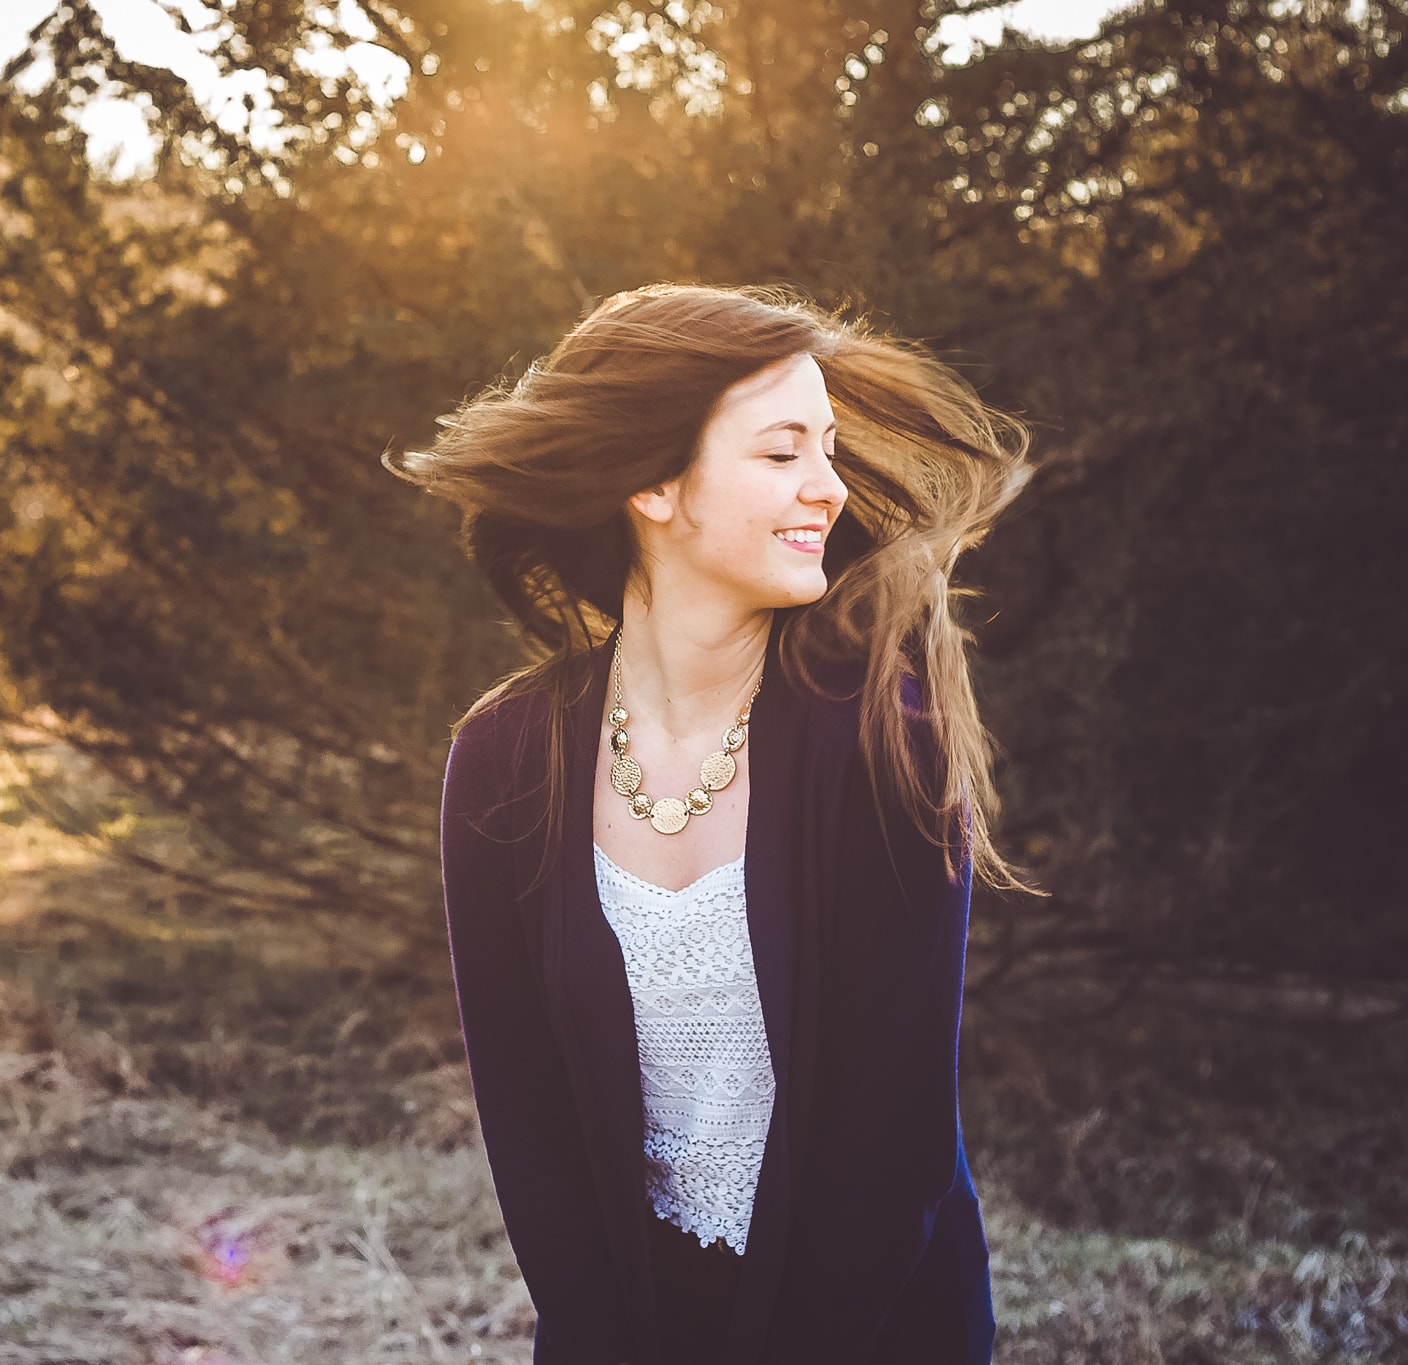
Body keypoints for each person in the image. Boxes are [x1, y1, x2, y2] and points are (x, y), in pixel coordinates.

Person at [383, 283, 1040, 1364]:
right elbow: (529, 1126)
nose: (827, 489)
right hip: (629, 1323)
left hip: (870, 1326)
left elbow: (892, 1149)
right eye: (782, 453)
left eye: (827, 450)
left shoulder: (881, 738)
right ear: (650, 479)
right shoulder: (503, 760)